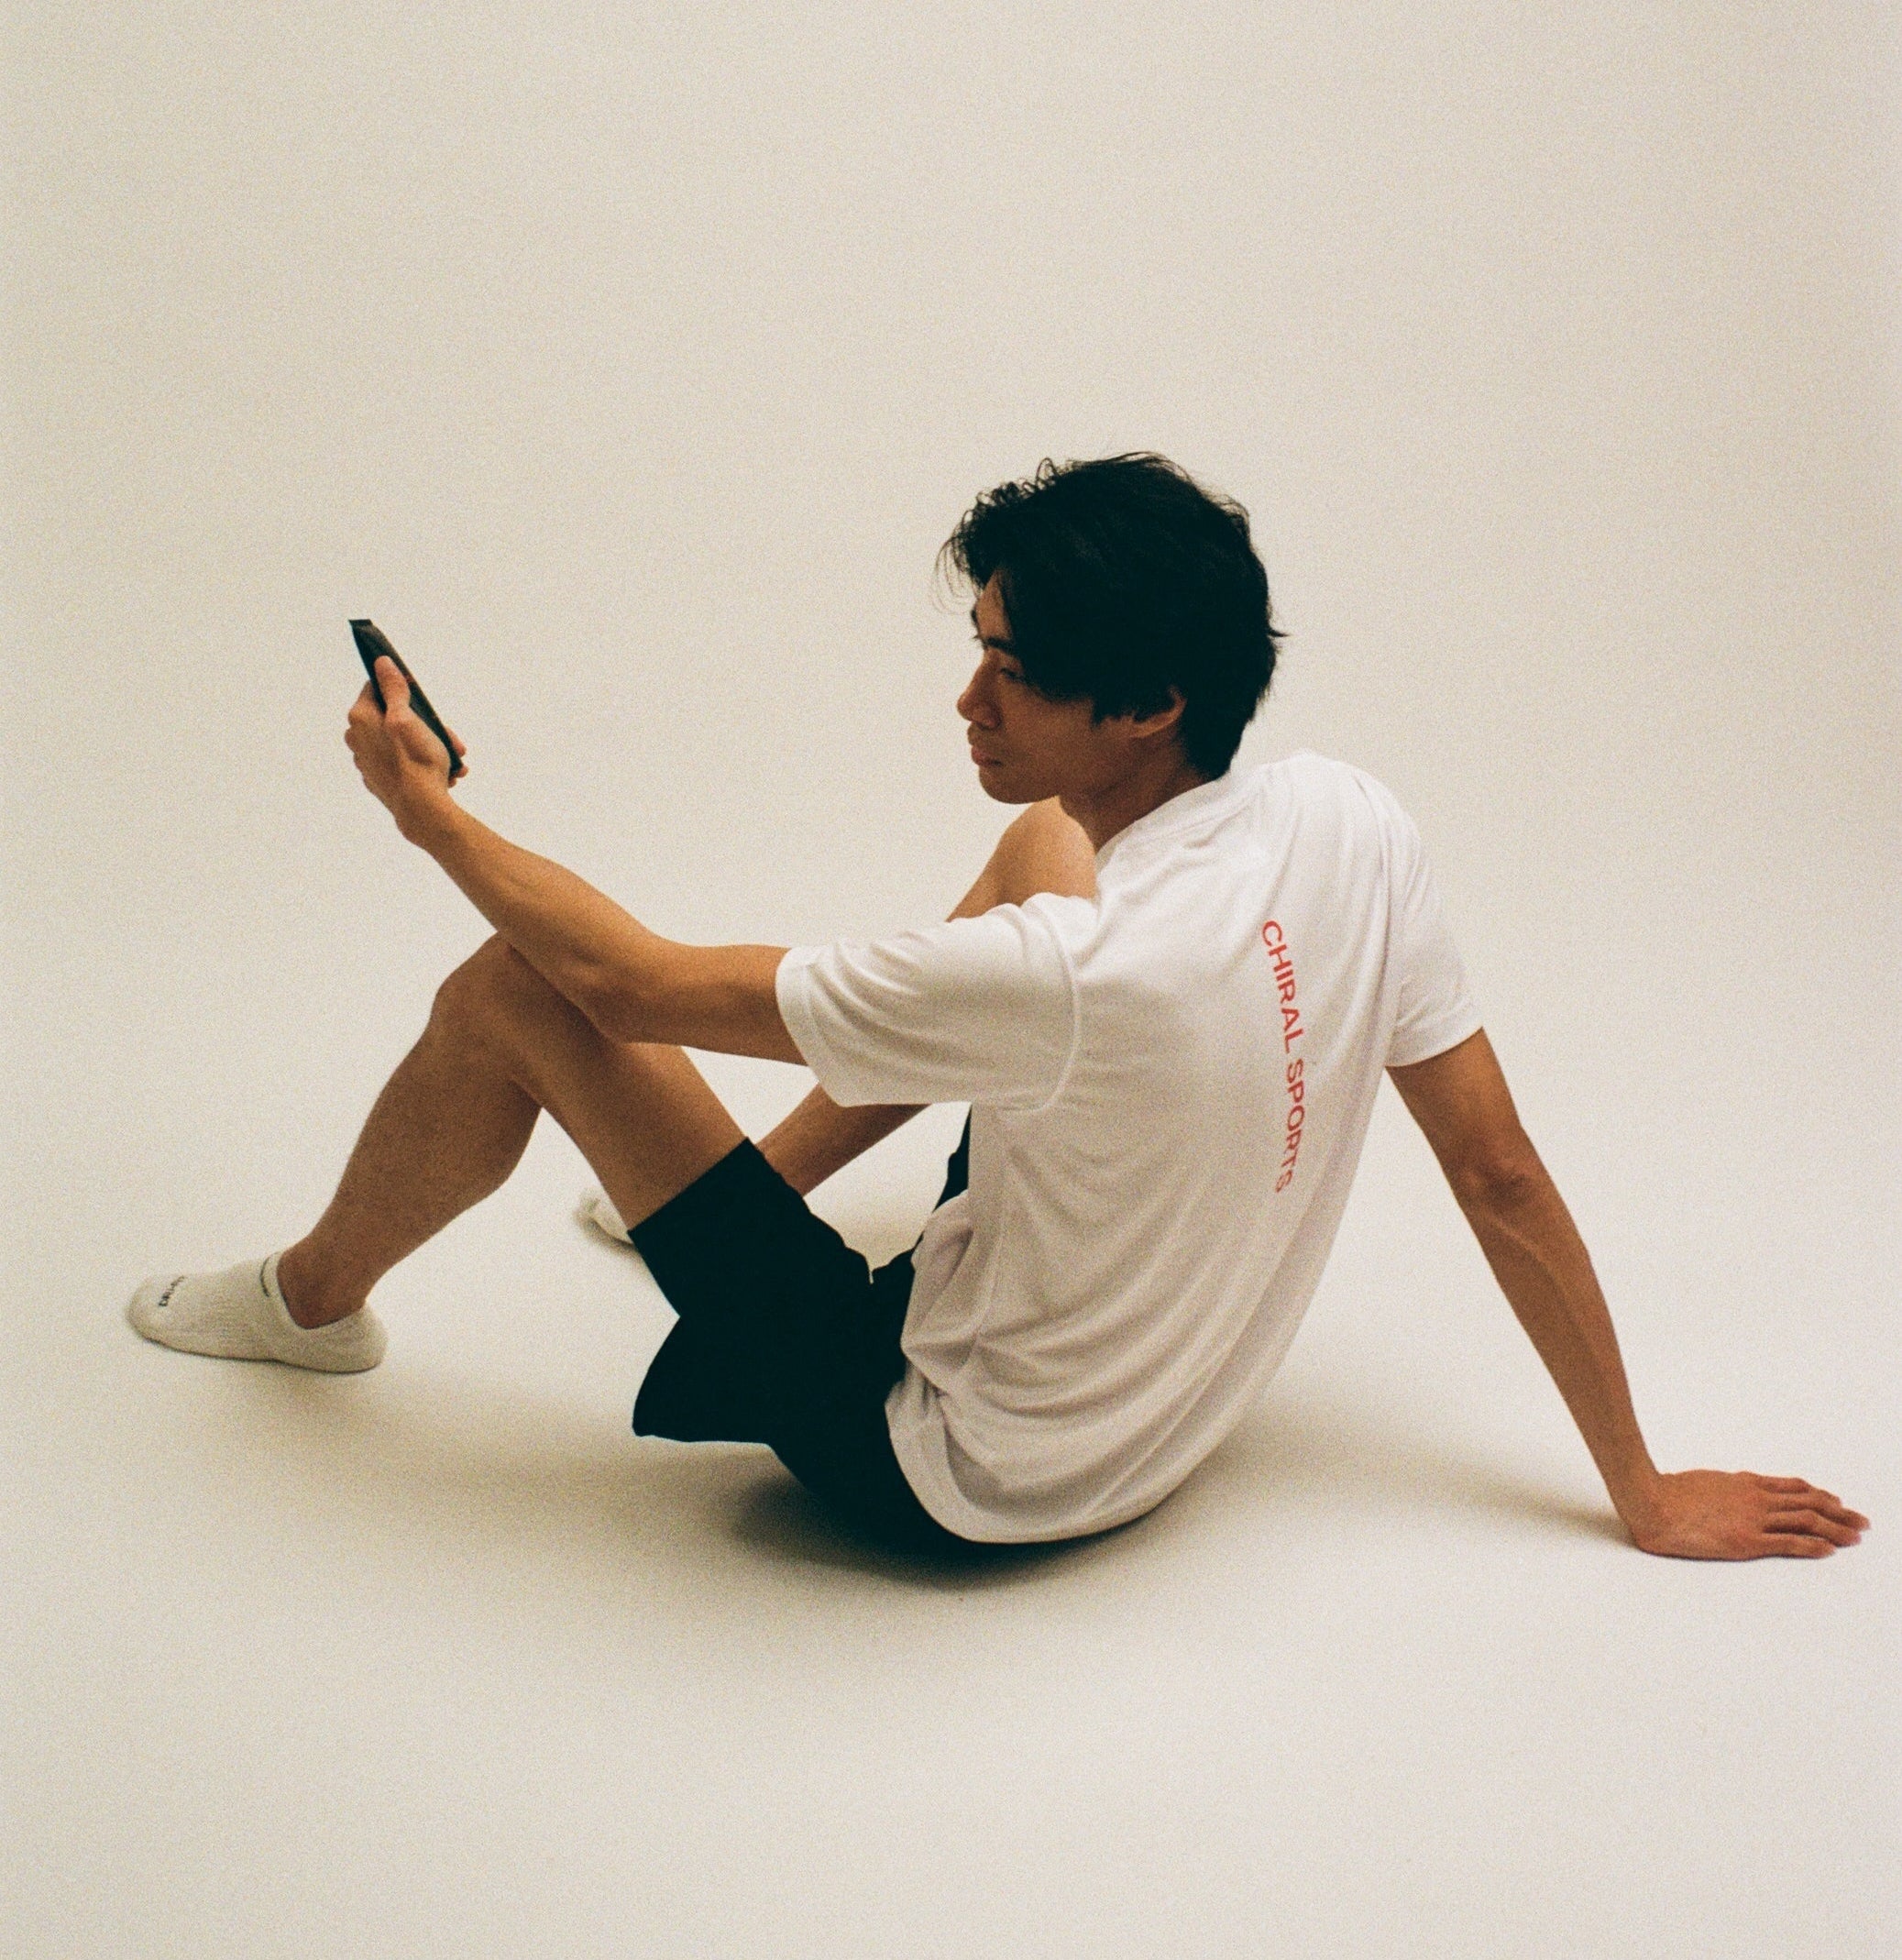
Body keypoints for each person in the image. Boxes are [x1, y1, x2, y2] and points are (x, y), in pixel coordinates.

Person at [128, 453, 1866, 1563]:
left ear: (1151, 702)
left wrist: (427, 813)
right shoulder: (1349, 821)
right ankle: (770, 1178)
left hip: (955, 1474)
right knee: (1046, 846)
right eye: (979, 645)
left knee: (512, 987)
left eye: (1013, 673)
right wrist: (1638, 1482)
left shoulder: (1069, 977)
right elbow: (1498, 1172)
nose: (969, 699)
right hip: (1172, 1411)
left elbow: (623, 983)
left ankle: (308, 1302)